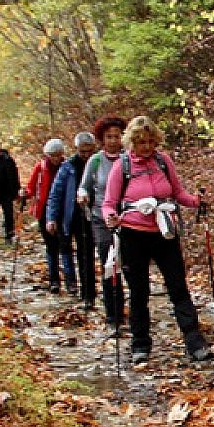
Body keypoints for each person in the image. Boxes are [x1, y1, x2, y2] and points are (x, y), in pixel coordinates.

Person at [102, 116, 212, 364]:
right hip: (132, 234)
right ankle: (140, 344)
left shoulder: (163, 161)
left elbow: (177, 192)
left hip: (164, 233)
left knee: (178, 287)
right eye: (142, 142)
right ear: (132, 142)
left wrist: (196, 201)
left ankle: (195, 342)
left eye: (151, 142)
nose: (147, 147)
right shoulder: (122, 166)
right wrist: (110, 217)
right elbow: (109, 203)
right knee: (139, 291)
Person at [79, 115, 127, 333]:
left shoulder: (129, 159)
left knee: (129, 265)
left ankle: (132, 311)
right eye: (109, 137)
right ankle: (112, 314)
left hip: (128, 218)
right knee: (110, 265)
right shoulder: (96, 161)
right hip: (101, 219)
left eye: (117, 136)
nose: (113, 141)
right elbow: (85, 185)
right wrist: (82, 195)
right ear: (102, 138)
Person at [48, 132, 99, 314]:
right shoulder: (67, 167)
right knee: (80, 254)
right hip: (73, 217)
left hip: (96, 215)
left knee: (91, 256)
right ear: (76, 149)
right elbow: (56, 194)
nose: (86, 155)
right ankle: (84, 293)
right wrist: (51, 218)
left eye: (89, 151)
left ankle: (93, 293)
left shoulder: (98, 162)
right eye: (82, 151)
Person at [25, 139, 73, 294]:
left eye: (58, 154)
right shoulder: (40, 167)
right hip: (44, 211)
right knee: (51, 246)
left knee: (65, 246)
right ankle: (54, 281)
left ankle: (70, 282)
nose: (55, 158)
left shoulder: (68, 167)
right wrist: (25, 193)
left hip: (64, 211)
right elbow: (31, 186)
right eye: (52, 155)